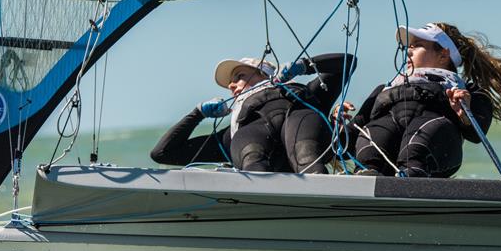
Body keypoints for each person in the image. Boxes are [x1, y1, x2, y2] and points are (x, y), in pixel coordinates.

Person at [335, 22, 501, 177]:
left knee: (422, 137)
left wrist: (464, 113)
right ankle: (367, 175)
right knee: (372, 134)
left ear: (443, 54)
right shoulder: (383, 89)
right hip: (376, 171)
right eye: (409, 46)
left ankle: (413, 176)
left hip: (433, 158)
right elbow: (345, 144)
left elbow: (477, 133)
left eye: (417, 46)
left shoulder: (467, 91)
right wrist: (339, 122)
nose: (408, 51)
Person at [150, 53, 356, 173]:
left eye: (239, 76)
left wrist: (304, 66)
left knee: (306, 152)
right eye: (230, 84)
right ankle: (260, 191)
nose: (231, 85)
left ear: (265, 74)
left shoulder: (306, 95)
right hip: (251, 139)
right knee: (250, 153)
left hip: (302, 122)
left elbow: (348, 62)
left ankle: (321, 187)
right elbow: (162, 153)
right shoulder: (231, 135)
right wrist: (197, 113)